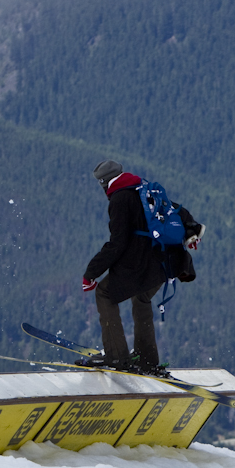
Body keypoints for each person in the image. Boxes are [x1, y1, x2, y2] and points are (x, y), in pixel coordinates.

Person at [79, 160, 203, 376]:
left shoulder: (120, 198)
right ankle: (147, 360)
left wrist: (91, 274)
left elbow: (117, 243)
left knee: (104, 293)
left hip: (141, 263)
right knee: (141, 298)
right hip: (164, 262)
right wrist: (192, 232)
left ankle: (116, 356)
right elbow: (178, 210)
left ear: (104, 182)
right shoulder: (144, 188)